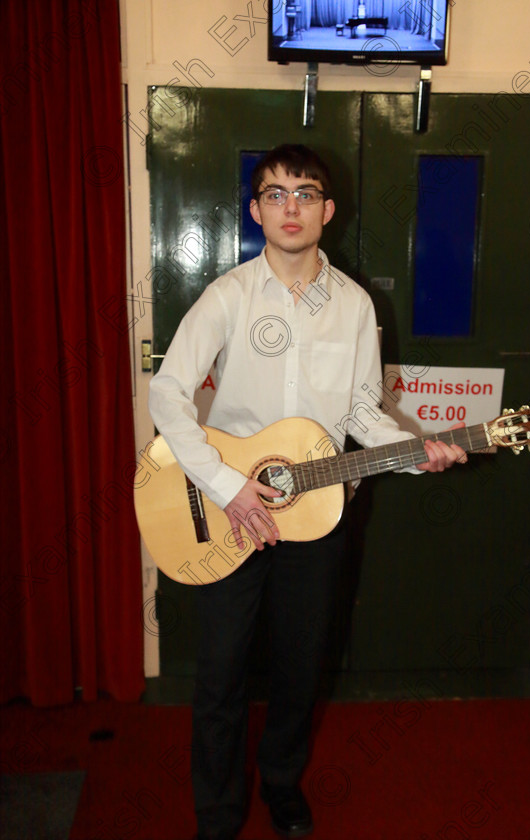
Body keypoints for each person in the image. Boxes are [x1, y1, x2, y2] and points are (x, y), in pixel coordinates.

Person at [148, 144, 467, 840]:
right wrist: (231, 487)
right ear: (256, 209)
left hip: (319, 518)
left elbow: (361, 414)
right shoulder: (227, 296)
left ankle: (283, 787)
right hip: (228, 515)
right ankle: (218, 813)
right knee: (221, 678)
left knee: (299, 671)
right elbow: (168, 393)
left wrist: (419, 455)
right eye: (274, 193)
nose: (290, 206)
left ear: (327, 210)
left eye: (305, 193)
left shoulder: (355, 307)